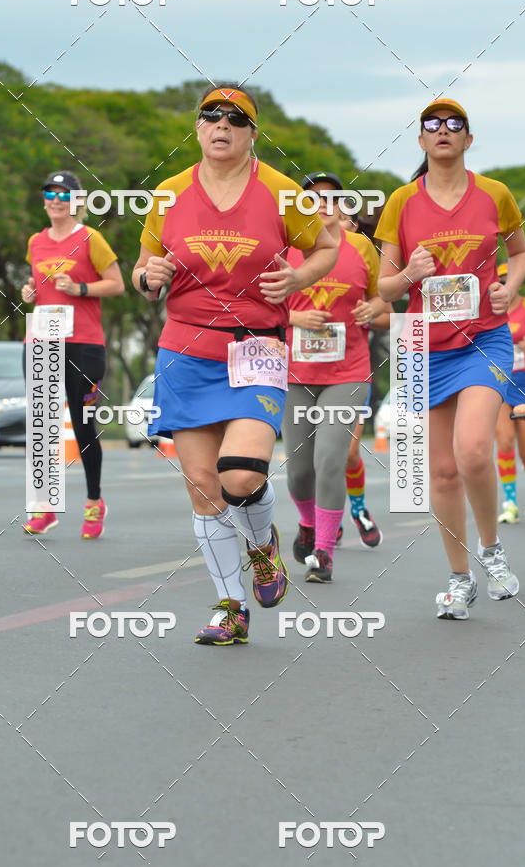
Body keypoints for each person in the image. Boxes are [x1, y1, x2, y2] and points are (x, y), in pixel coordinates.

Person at [133, 85, 337, 644]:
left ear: (252, 133)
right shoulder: (169, 195)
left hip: (256, 347)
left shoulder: (282, 191)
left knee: (241, 476)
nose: (221, 125)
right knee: (203, 486)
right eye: (210, 116)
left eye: (235, 118)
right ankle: (231, 607)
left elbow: (326, 249)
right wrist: (148, 278)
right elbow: (144, 266)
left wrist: (298, 277)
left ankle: (264, 545)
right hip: (186, 350)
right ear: (198, 128)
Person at [376, 99, 525, 619]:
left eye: (454, 124)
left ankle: (491, 550)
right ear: (420, 141)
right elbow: (385, 286)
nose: (442, 131)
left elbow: (520, 251)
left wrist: (509, 285)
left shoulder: (495, 195)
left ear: (467, 139)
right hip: (420, 345)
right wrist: (410, 274)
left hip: (485, 339)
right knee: (439, 473)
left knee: (473, 452)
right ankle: (460, 579)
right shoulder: (400, 202)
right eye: (432, 126)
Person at [282, 172, 386, 581]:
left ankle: (323, 552)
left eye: (331, 198)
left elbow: (384, 300)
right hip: (294, 375)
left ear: (343, 206)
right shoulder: (285, 247)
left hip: (348, 373)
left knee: (330, 460)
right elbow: (254, 307)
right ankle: (307, 523)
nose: (322, 203)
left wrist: (372, 311)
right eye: (312, 198)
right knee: (298, 469)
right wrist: (295, 316)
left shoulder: (360, 247)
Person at [21, 170, 125, 538]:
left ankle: (94, 502)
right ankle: (44, 509)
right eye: (49, 193)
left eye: (63, 194)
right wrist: (30, 292)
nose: (54, 200)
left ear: (77, 202)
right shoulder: (36, 241)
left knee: (82, 424)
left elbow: (116, 284)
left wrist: (80, 287)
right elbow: (38, 283)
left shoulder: (90, 239)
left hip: (83, 343)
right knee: (44, 428)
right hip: (41, 339)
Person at [336, 207, 392, 548]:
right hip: (304, 374)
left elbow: (389, 316)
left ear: (354, 226)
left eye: (340, 215)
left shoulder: (362, 262)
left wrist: (368, 313)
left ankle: (357, 510)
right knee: (315, 457)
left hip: (351, 371)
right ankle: (324, 516)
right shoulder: (297, 257)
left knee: (349, 452)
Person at [494, 261, 525, 523]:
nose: (505, 286)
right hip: (502, 385)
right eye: (501, 281)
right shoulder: (493, 312)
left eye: (509, 281)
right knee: (504, 443)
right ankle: (510, 503)